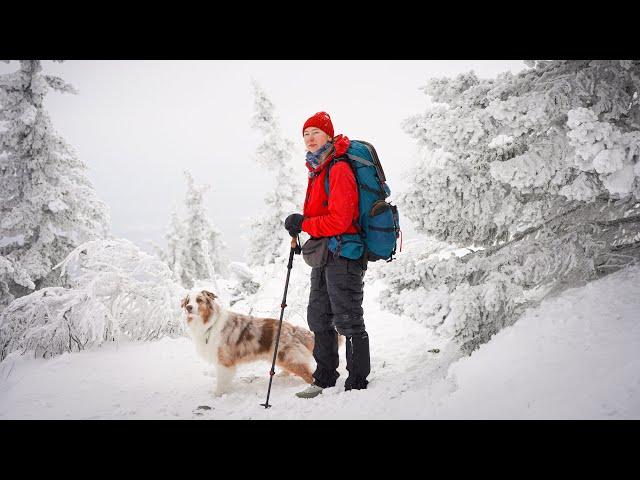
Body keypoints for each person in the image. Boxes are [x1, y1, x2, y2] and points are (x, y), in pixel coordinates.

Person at [284, 111, 370, 399]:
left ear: (328, 136)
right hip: (325, 253)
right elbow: (321, 217)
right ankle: (324, 378)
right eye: (305, 133)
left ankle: (357, 382)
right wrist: (303, 231)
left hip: (345, 254)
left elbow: (341, 220)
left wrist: (305, 224)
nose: (309, 138)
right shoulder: (318, 168)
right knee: (319, 318)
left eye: (315, 132)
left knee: (347, 319)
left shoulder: (339, 168)